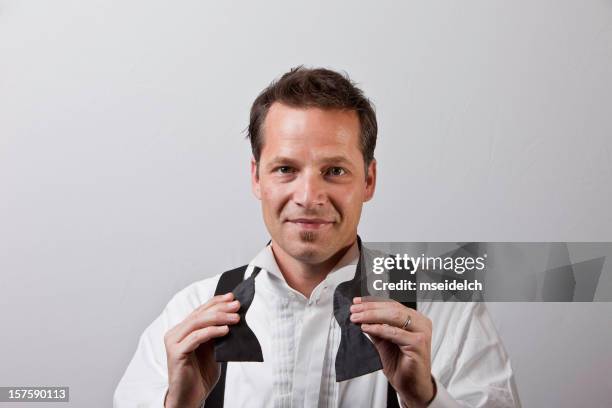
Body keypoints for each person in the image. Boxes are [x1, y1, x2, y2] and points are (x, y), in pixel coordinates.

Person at [113, 67, 520, 407]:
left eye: (335, 171)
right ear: (257, 177)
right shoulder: (188, 314)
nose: (308, 198)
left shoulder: (446, 311)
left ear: (369, 180)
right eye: (286, 169)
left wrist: (425, 399)